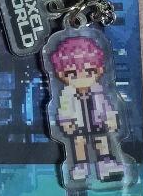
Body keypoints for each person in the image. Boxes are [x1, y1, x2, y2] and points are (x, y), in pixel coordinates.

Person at [50, 35, 124, 184]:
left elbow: (105, 106)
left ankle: (106, 163)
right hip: (77, 126)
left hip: (98, 123)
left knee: (102, 142)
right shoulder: (67, 94)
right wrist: (66, 122)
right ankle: (80, 166)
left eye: (89, 71)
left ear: (99, 70)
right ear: (61, 74)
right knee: (79, 146)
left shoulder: (98, 91)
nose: (82, 77)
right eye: (72, 74)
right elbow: (64, 110)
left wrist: (110, 118)